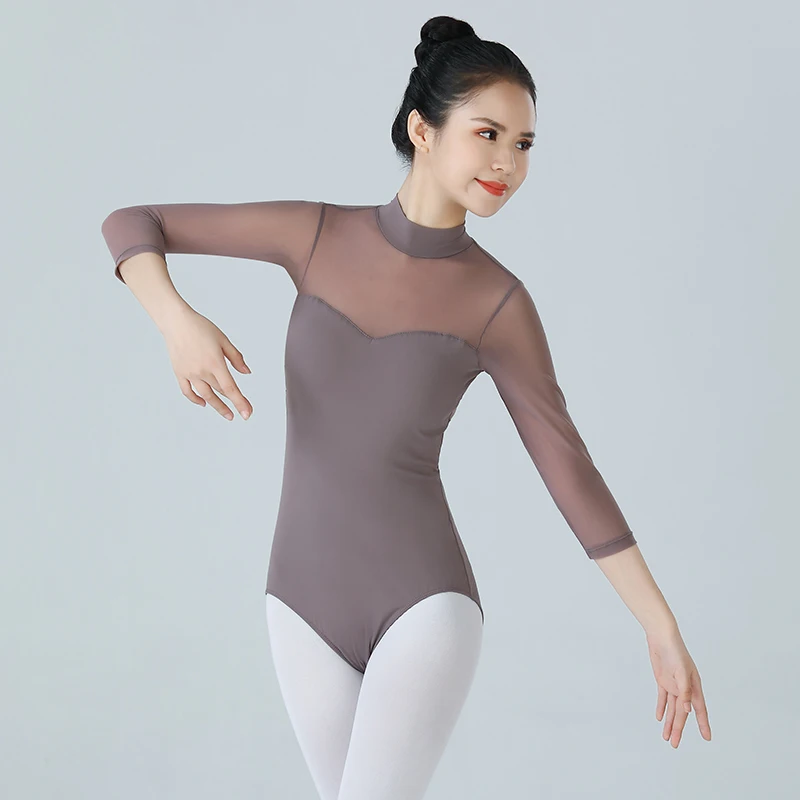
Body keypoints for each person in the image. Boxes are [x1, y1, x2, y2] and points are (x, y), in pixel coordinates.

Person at [100, 15, 712, 800]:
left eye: (524, 144)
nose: (508, 162)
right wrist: (176, 321)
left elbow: (569, 469)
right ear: (423, 130)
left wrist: (660, 626)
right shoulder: (317, 235)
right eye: (488, 134)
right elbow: (133, 224)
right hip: (297, 603)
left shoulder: (498, 303)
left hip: (425, 606)